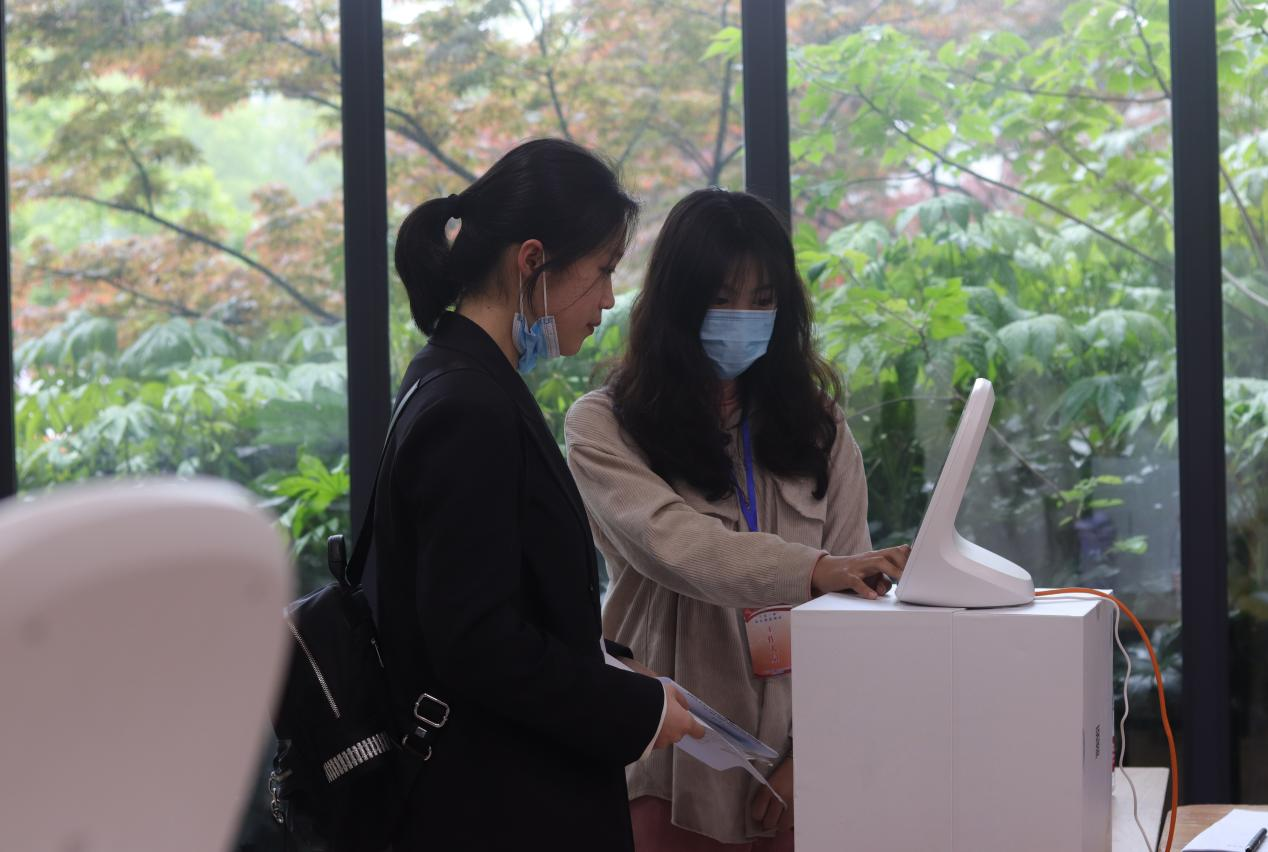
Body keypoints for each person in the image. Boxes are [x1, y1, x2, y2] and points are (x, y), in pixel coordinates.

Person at [368, 139, 704, 851]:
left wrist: (605, 661)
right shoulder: (469, 406)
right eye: (603, 270)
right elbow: (476, 642)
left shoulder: (453, 375)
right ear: (532, 262)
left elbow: (498, 602)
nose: (609, 299)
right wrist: (634, 708)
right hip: (498, 806)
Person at [564, 188, 911, 851]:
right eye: (723, 298)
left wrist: (815, 749)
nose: (744, 319)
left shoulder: (819, 427)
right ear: (677, 300)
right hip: (667, 758)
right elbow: (677, 545)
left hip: (792, 769)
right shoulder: (605, 426)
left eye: (763, 300)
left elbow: (854, 612)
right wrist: (818, 570)